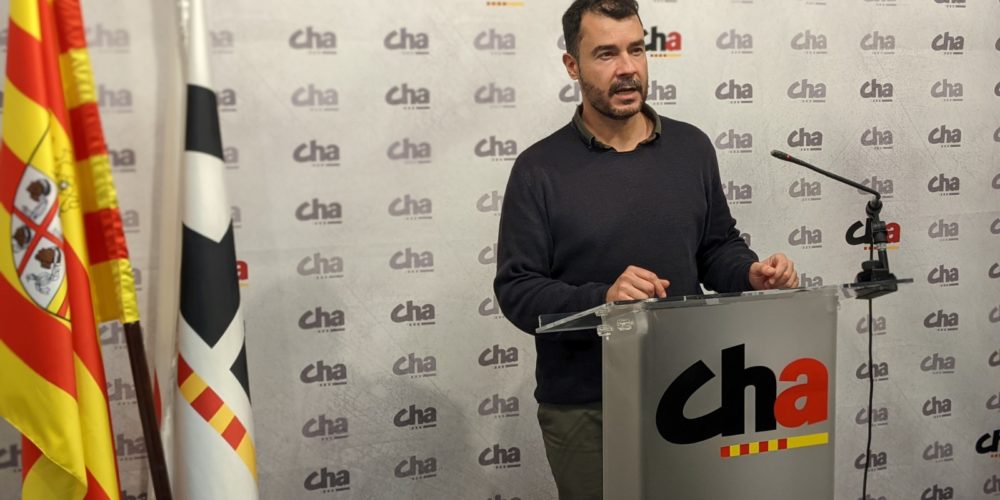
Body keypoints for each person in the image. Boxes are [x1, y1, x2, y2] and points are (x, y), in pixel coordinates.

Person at [492, 1, 798, 498]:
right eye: (606, 54)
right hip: (587, 408)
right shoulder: (537, 169)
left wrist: (749, 273)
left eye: (636, 50)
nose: (627, 68)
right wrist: (603, 300)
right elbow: (518, 291)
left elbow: (715, 247)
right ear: (572, 65)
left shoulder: (692, 148)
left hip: (695, 387)